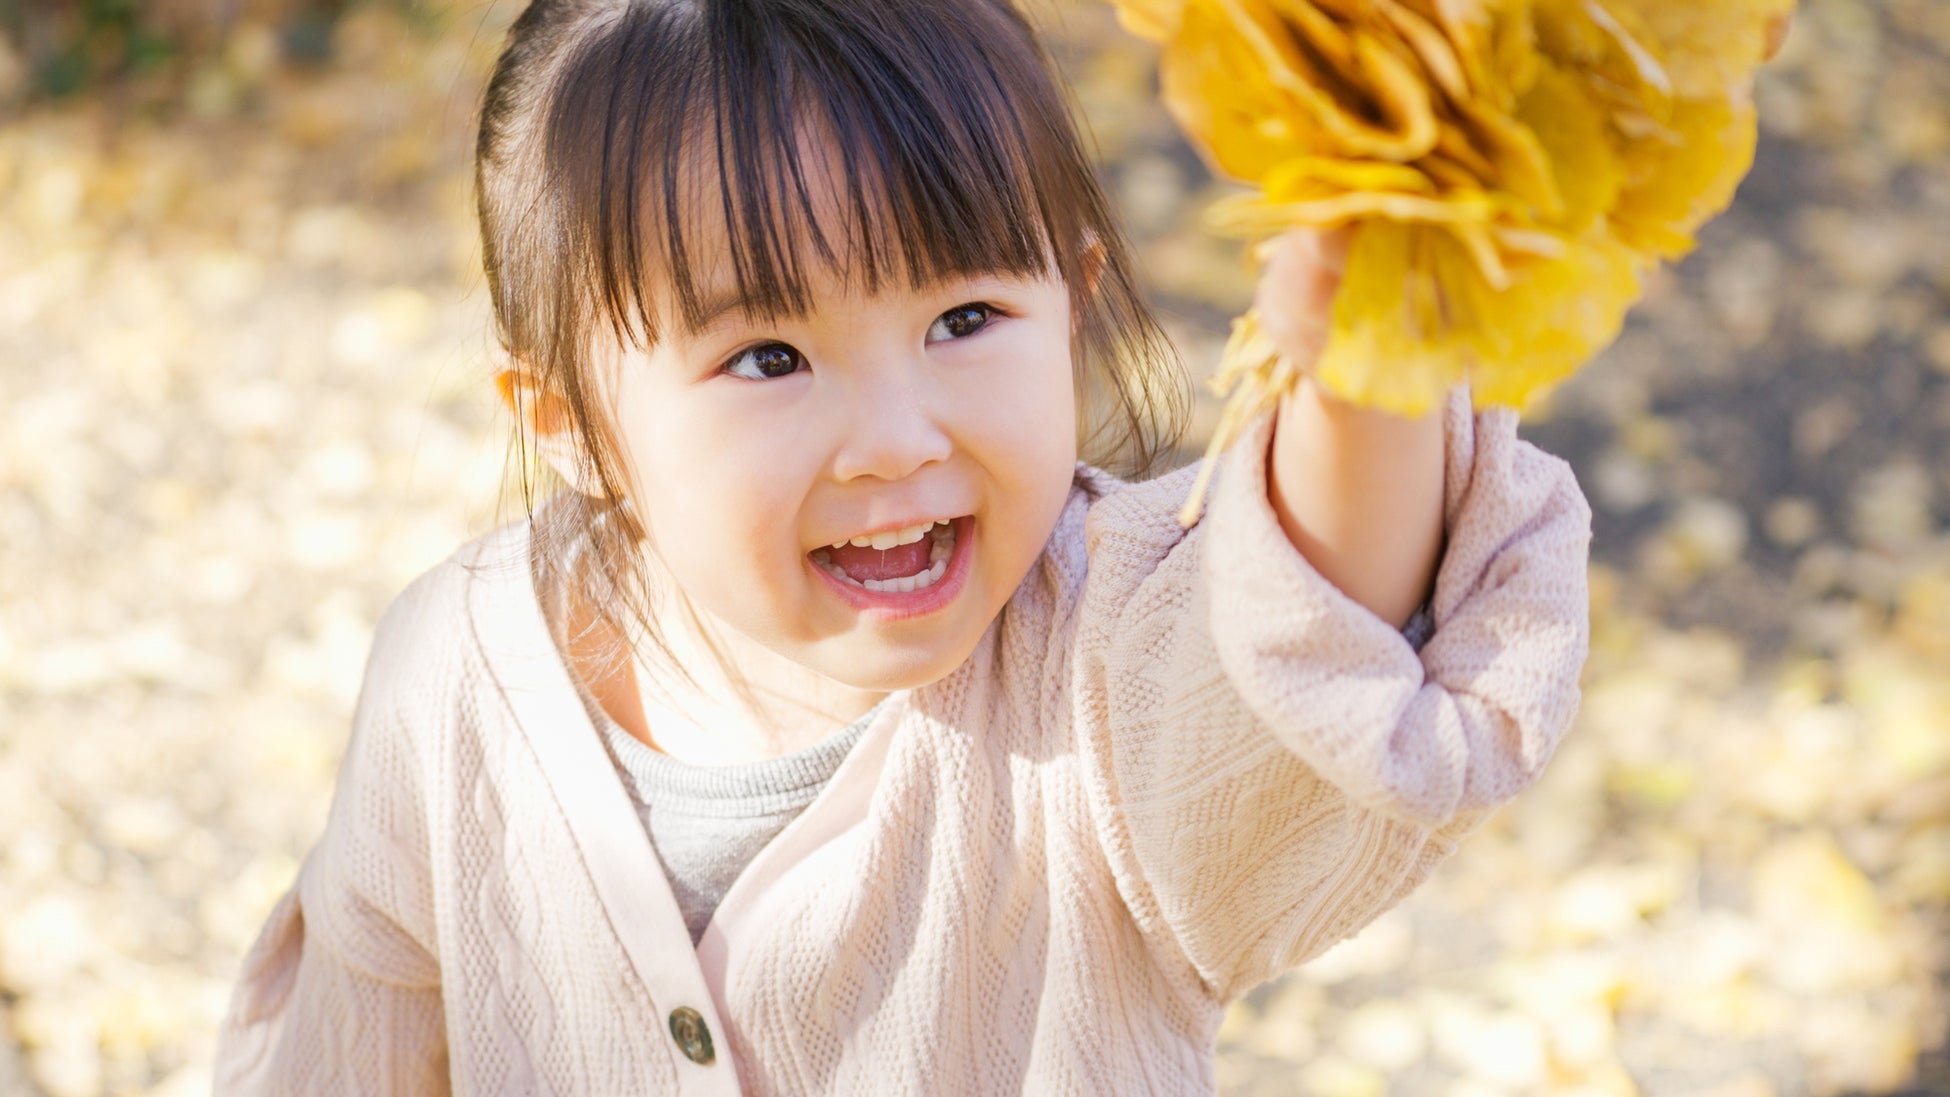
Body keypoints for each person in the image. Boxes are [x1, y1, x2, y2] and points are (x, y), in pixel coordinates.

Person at [214, 0, 1590, 1091]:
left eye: (963, 320)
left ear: (1073, 295)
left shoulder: (1098, 682)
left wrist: (1370, 346)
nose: (893, 436)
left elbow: (1305, 635)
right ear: (569, 420)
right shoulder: (455, 674)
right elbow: (355, 1050)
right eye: (767, 353)